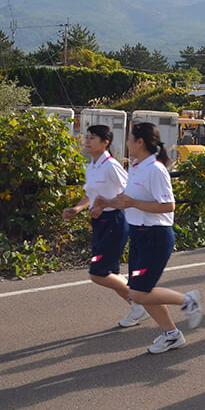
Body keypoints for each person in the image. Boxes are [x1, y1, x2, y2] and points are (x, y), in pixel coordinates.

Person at [99, 122, 203, 354]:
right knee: (141, 292)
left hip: (156, 237)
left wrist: (134, 203)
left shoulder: (156, 170)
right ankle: (172, 335)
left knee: (138, 292)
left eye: (129, 140)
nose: (126, 144)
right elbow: (127, 198)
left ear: (140, 142)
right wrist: (104, 203)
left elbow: (168, 205)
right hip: (138, 235)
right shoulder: (136, 167)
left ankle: (188, 301)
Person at [62, 124, 143, 327]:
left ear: (105, 143)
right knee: (111, 273)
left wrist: (107, 203)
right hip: (99, 222)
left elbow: (129, 191)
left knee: (98, 273)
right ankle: (137, 307)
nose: (87, 141)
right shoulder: (92, 166)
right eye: (86, 137)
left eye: (92, 138)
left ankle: (141, 302)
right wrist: (76, 209)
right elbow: (90, 195)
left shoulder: (111, 166)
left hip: (115, 221)